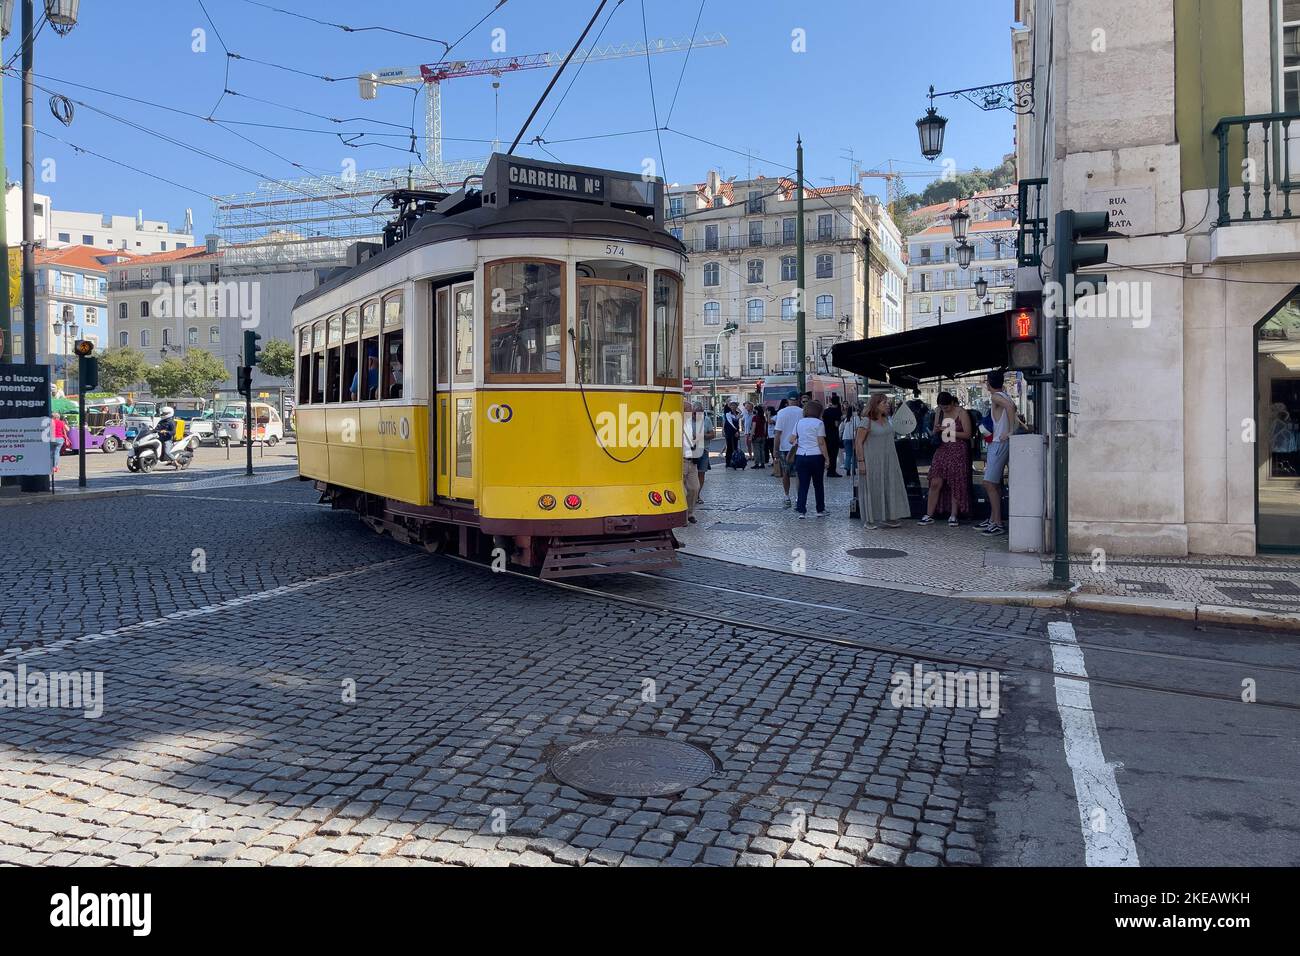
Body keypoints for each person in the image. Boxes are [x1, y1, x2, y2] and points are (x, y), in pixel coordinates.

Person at [855, 394, 911, 530]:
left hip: (889, 459)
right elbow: (858, 443)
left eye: (887, 402)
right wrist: (861, 461)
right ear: (875, 404)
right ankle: (870, 519)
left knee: (889, 486)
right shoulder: (866, 421)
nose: (887, 405)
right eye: (884, 403)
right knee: (873, 488)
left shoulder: (887, 420)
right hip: (872, 460)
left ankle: (889, 516)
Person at [919, 392, 971, 526]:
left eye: (946, 407)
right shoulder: (939, 411)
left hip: (957, 448)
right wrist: (936, 429)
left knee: (955, 481)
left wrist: (949, 431)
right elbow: (936, 428)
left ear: (952, 403)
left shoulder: (962, 413)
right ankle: (929, 514)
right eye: (942, 407)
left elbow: (967, 434)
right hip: (942, 447)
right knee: (935, 480)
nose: (945, 410)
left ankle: (954, 514)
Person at [977, 370, 1017, 537]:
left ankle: (997, 522)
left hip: (999, 442)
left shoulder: (995, 397)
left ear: (988, 383)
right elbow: (1012, 407)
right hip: (1002, 441)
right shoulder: (1006, 396)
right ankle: (994, 518)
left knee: (989, 483)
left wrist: (1010, 431)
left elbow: (1009, 408)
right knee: (994, 484)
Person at [791, 400, 829, 518]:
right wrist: (827, 458)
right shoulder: (819, 423)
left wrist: (800, 442)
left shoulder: (799, 423)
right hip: (816, 456)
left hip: (801, 456)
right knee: (818, 484)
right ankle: (820, 509)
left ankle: (801, 510)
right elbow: (821, 442)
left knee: (803, 484)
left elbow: (791, 439)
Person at [772, 396, 803, 508]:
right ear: (798, 401)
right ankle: (799, 497)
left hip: (784, 447)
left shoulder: (781, 412)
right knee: (799, 473)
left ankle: (787, 496)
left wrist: (775, 449)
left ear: (788, 401)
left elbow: (777, 433)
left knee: (785, 473)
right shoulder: (802, 411)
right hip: (799, 447)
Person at [681, 398, 703, 523]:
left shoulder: (690, 424)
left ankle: (689, 512)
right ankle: (684, 515)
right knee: (682, 490)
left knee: (695, 487)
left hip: (692, 460)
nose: (692, 412)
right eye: (689, 410)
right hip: (681, 461)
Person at [693, 401, 714, 502]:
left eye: (700, 413)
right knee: (691, 474)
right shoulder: (687, 420)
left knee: (701, 473)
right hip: (691, 451)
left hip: (704, 450)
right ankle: (691, 495)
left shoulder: (707, 420)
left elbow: (712, 434)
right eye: (695, 413)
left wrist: (703, 436)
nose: (698, 415)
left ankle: (697, 495)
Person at [823, 394, 843, 477]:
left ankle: (828, 469)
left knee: (828, 453)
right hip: (834, 435)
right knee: (834, 455)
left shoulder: (826, 411)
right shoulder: (838, 411)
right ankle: (832, 471)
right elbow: (836, 424)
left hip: (826, 435)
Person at [839, 402, 862, 477]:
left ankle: (847, 469)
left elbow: (840, 429)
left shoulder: (846, 419)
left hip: (845, 438)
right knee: (854, 454)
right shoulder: (856, 418)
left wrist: (840, 436)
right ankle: (853, 469)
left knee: (848, 454)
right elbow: (858, 428)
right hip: (853, 438)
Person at [750, 403, 770, 468]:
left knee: (756, 450)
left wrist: (751, 436)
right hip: (762, 436)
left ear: (757, 411)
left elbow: (753, 427)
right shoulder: (763, 418)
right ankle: (762, 463)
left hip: (756, 436)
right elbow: (764, 428)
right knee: (762, 450)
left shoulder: (755, 418)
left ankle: (757, 463)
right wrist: (765, 435)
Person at [722, 402, 740, 467]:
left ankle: (735, 461)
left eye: (735, 405)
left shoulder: (737, 414)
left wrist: (737, 431)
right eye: (732, 405)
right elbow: (730, 423)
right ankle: (728, 462)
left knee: (735, 447)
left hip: (736, 433)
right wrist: (736, 431)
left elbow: (737, 424)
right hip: (729, 432)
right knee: (729, 447)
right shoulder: (728, 414)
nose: (733, 407)